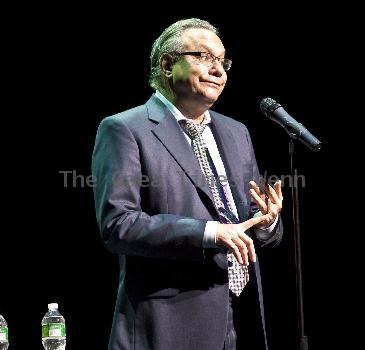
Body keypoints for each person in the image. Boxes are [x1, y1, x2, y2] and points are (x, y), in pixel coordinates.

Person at [92, 18, 283, 350]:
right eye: (204, 57)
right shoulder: (125, 129)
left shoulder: (237, 133)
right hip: (171, 325)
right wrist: (208, 232)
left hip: (242, 318)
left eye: (223, 62)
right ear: (168, 64)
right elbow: (118, 225)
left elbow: (252, 219)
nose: (219, 70)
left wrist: (268, 222)